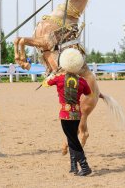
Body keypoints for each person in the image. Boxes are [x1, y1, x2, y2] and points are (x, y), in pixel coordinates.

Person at [43, 48, 92, 176]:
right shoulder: (81, 81)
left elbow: (45, 84)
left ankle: (85, 166)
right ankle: (73, 166)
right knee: (71, 139)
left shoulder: (59, 79)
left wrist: (52, 75)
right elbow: (88, 93)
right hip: (76, 115)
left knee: (73, 140)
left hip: (65, 115)